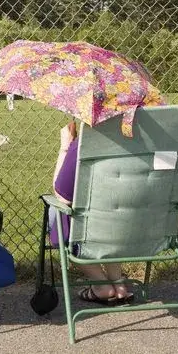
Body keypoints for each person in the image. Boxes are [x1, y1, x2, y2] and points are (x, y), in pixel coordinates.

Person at [52, 121, 133, 305]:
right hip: (137, 229)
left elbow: (62, 194)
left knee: (56, 211)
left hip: (92, 229)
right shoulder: (145, 144)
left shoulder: (85, 144)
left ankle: (101, 285)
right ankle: (118, 284)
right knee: (115, 211)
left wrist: (65, 147)